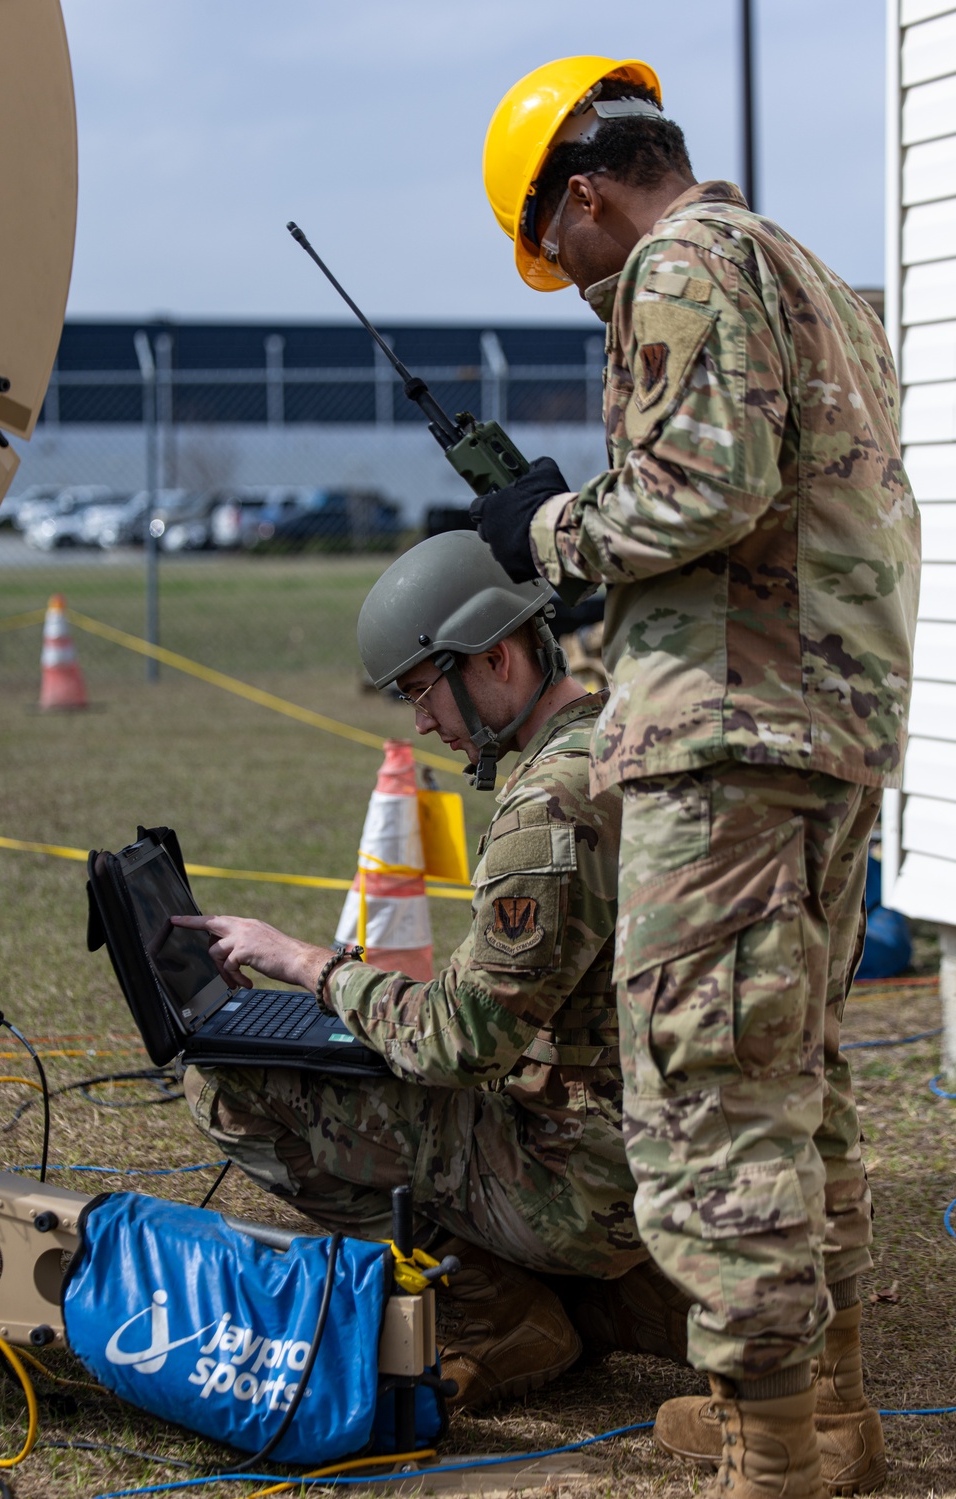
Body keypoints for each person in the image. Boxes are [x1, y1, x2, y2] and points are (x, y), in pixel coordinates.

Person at [473, 55, 920, 1498]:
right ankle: (824, 1417)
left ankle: (771, 1457)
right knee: (800, 1077)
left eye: (565, 262)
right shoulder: (813, 275)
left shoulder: (678, 264)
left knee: (708, 1092)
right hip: (832, 726)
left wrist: (546, 527)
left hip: (725, 734)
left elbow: (703, 487)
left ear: (588, 198)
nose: (586, 291)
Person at [175, 531, 687, 1411]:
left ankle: (499, 1309)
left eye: (423, 691)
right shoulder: (624, 732)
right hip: (664, 1147)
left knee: (223, 1080)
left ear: (494, 657)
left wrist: (310, 964)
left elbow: (462, 1043)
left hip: (589, 1178)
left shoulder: (550, 809)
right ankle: (615, 1300)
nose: (420, 721)